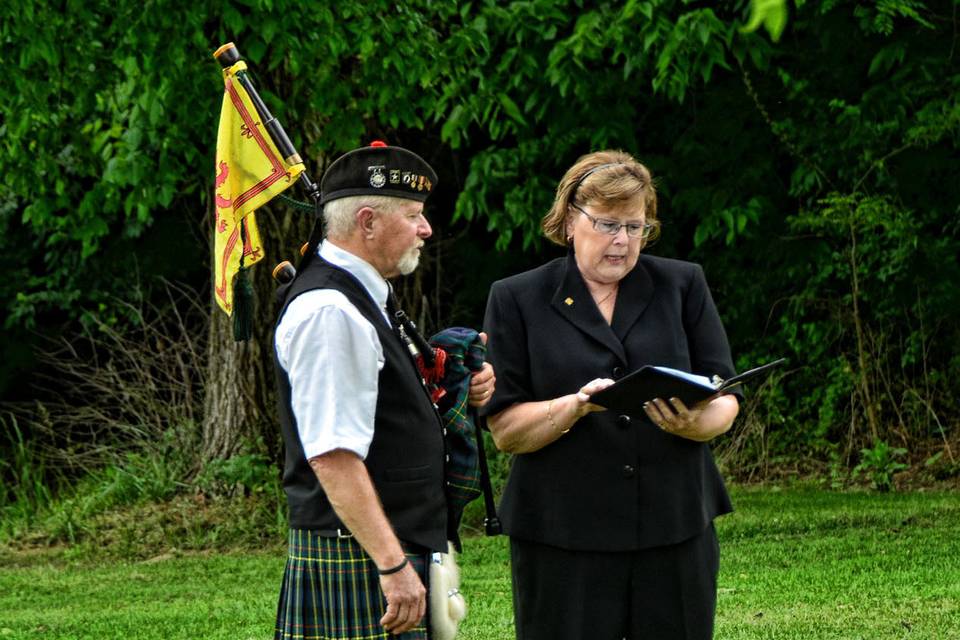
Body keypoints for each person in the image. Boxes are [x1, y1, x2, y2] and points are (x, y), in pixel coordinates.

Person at [482, 150, 741, 640]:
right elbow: (506, 431)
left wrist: (695, 423)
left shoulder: (682, 284)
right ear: (568, 222)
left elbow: (724, 395)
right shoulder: (516, 297)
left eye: (636, 227)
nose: (622, 241)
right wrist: (576, 406)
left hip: (674, 526)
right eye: (607, 225)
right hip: (561, 535)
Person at [273, 141, 495, 640]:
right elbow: (332, 455)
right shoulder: (331, 312)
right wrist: (393, 567)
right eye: (414, 215)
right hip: (364, 555)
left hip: (387, 543)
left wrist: (456, 384)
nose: (426, 229)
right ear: (368, 222)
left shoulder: (367, 295)